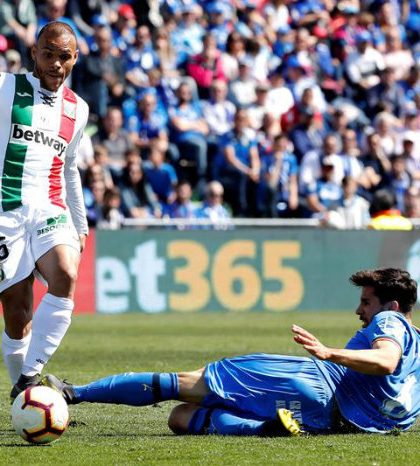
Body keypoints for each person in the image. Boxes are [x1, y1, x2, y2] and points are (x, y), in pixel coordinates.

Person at [43, 268, 420, 436]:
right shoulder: (416, 342)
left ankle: (73, 393)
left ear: (392, 305)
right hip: (331, 419)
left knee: (185, 383)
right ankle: (263, 431)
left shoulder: (391, 323)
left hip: (312, 382)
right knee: (181, 417)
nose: (359, 312)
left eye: (366, 303)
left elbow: (386, 361)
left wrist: (328, 353)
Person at [0, 21, 89, 398]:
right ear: (34, 52)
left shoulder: (78, 109)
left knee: (66, 273)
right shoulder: (5, 87)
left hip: (51, 207)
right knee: (18, 315)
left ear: (75, 58)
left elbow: (70, 168)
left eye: (63, 56)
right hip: (6, 212)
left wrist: (81, 223)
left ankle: (28, 379)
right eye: (47, 54)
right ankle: (25, 396)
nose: (55, 64)